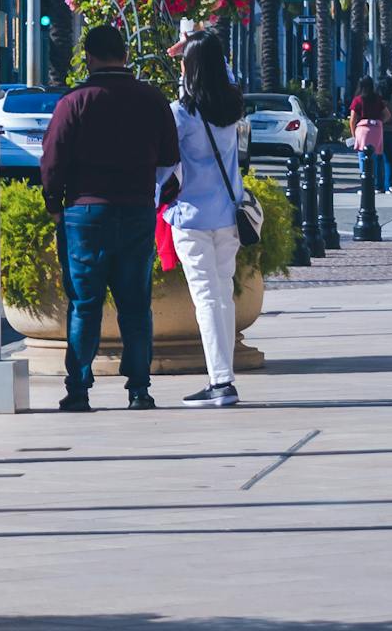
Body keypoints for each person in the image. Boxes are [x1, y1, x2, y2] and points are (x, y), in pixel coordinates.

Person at [38, 23, 180, 411]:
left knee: (85, 302)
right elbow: (170, 158)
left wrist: (55, 204)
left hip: (84, 212)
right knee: (135, 304)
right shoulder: (152, 100)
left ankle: (79, 388)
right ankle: (139, 388)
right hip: (136, 209)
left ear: (89, 57)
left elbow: (52, 160)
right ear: (125, 55)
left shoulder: (74, 101)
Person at [165, 30, 253, 407]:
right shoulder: (231, 107)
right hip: (230, 216)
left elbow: (165, 168)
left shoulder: (181, 114)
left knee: (207, 299)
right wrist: (203, 49)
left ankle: (221, 381)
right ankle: (223, 377)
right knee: (223, 295)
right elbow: (225, 76)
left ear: (189, 68)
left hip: (192, 217)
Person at [343, 76, 392, 197]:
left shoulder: (358, 100)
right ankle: (376, 185)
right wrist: (379, 122)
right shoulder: (377, 99)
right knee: (375, 158)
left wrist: (354, 134)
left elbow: (352, 120)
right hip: (376, 129)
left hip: (363, 130)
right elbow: (387, 115)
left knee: (362, 157)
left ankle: (365, 185)